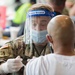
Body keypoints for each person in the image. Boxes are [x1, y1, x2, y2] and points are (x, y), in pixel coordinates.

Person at [0, 3, 55, 74]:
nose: (38, 29)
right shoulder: (17, 45)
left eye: (43, 24)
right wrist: (4, 67)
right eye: (33, 24)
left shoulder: (59, 45)